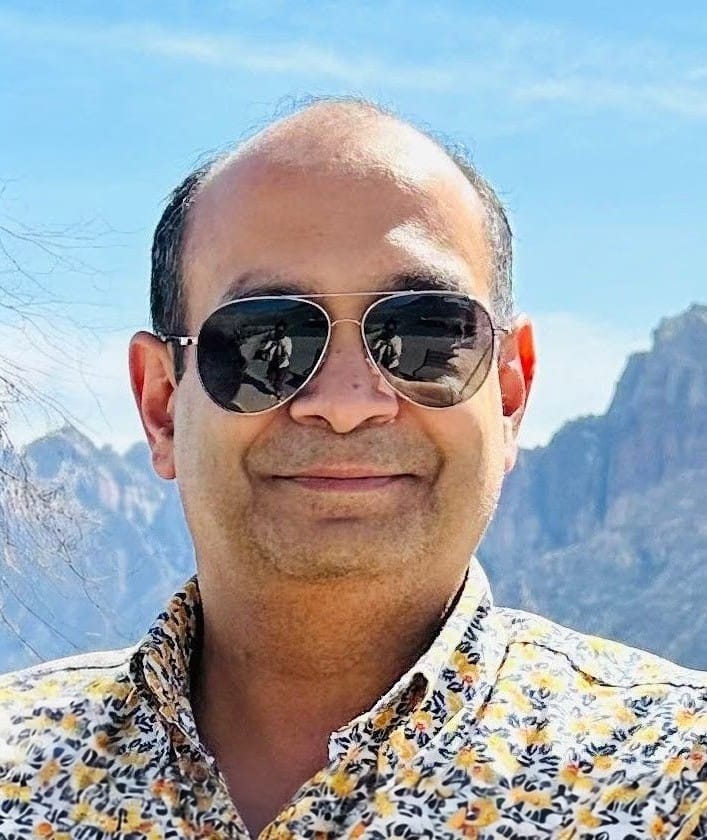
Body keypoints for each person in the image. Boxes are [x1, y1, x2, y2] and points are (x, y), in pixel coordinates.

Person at [1, 98, 705, 839]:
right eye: (266, 342)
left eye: (425, 336)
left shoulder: (677, 780)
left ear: (508, 394)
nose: (345, 404)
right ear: (162, 405)